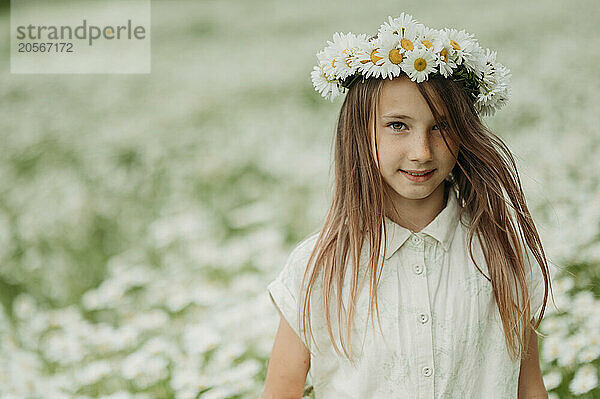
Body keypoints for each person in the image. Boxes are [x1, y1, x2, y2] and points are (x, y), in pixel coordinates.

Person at [262, 13, 552, 399]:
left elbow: (529, 389)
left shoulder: (501, 254)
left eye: (442, 126)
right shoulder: (317, 267)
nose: (421, 152)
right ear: (360, 135)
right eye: (398, 125)